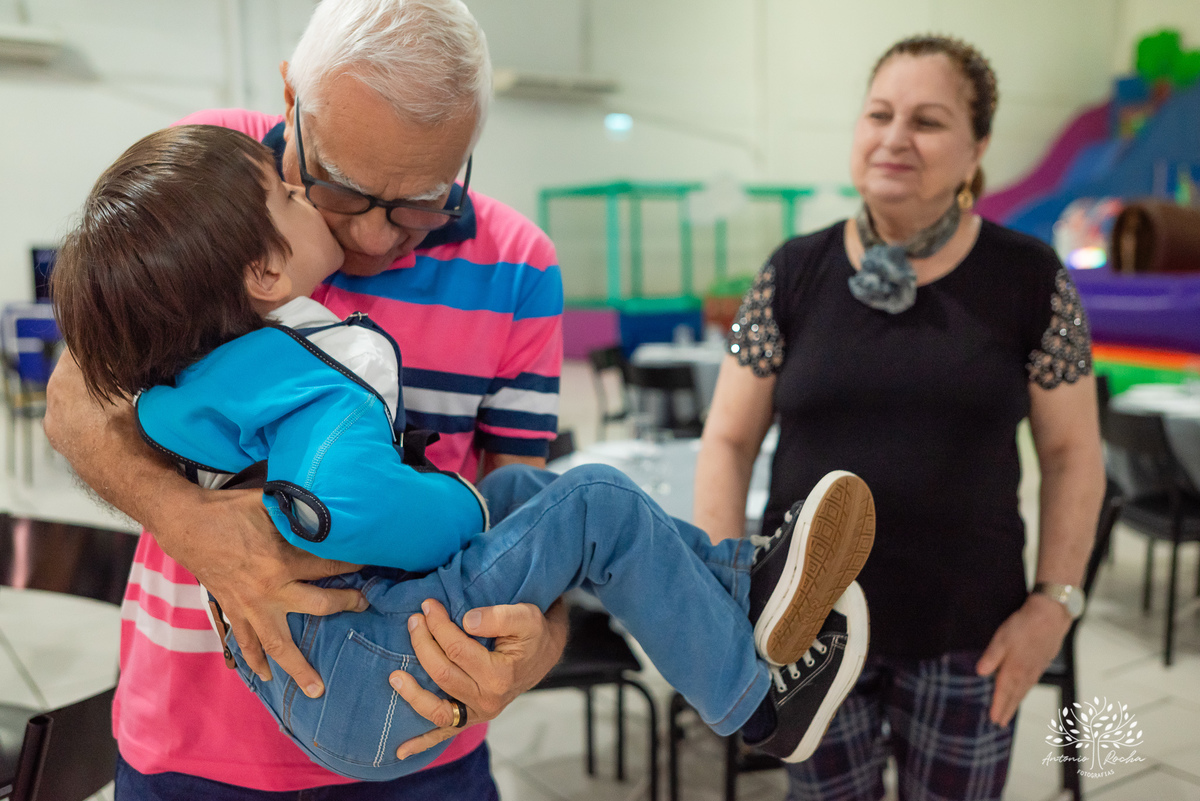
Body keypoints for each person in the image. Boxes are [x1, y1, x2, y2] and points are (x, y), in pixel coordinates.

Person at [52, 123, 880, 777]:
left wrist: (502, 551)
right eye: (295, 191)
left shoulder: (196, 377)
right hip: (371, 664)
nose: (318, 200)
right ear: (265, 271)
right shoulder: (300, 370)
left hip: (328, 683)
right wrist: (460, 508)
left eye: (423, 196)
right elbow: (349, 507)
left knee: (524, 491)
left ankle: (740, 580)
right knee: (592, 500)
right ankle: (760, 705)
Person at [42, 1, 566, 796]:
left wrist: (538, 649)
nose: (376, 238)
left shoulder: (521, 265)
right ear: (293, 99)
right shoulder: (215, 175)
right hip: (192, 745)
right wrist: (194, 525)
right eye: (344, 191)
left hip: (419, 738)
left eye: (424, 200)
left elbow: (526, 518)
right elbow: (72, 400)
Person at [693, 35, 1106, 801]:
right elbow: (728, 438)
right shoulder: (791, 271)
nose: (894, 137)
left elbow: (1074, 452)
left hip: (969, 633)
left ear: (977, 148)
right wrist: (727, 590)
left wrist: (1055, 603)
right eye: (879, 114)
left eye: (927, 120)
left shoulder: (1031, 279)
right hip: (805, 628)